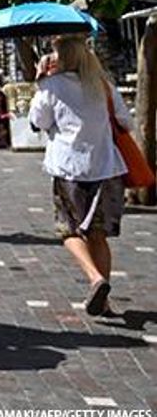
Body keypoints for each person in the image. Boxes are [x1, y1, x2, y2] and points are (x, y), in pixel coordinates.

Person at [29, 35, 131, 316]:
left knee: (69, 230)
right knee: (98, 235)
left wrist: (39, 83)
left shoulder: (51, 86)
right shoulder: (103, 85)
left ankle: (95, 279)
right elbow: (126, 122)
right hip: (106, 167)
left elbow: (38, 121)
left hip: (69, 168)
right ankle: (104, 299)